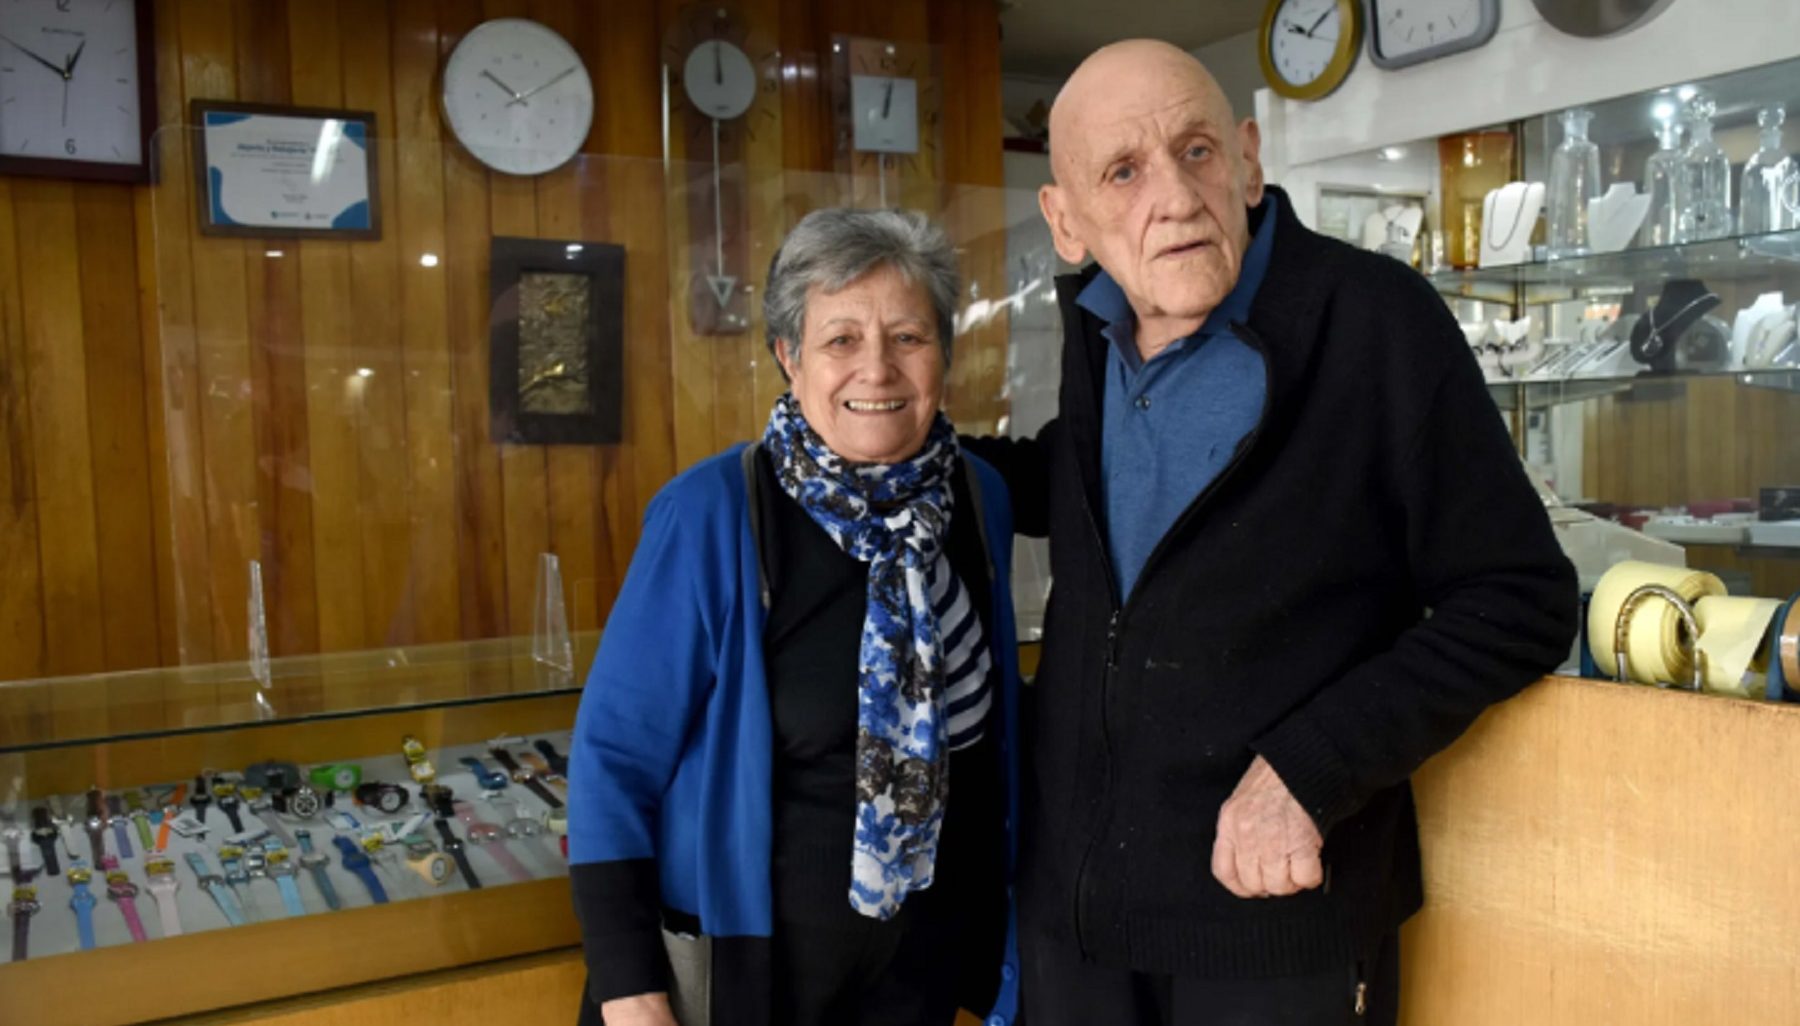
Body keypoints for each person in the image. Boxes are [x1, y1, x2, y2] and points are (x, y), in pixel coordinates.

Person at [964, 40, 1579, 1025]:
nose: (1172, 196)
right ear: (1067, 222)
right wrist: (906, 453)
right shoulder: (1097, 319)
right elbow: (1100, 478)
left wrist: (1310, 765)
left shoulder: (1375, 321)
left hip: (1271, 916)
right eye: (1123, 172)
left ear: (1249, 160)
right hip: (1075, 916)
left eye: (1197, 150)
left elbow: (1518, 599)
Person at [568, 208, 1021, 1026]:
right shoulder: (711, 514)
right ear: (789, 356)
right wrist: (628, 990)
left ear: (944, 355)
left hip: (920, 969)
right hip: (750, 974)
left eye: (909, 337)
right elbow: (613, 760)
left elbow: (991, 747)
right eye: (840, 339)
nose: (876, 369)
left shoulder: (977, 498)